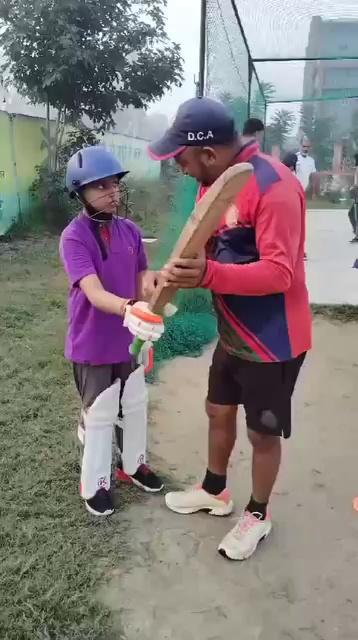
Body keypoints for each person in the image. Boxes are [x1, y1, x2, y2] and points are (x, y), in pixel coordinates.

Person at [149, 97, 312, 561]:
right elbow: (207, 246)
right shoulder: (214, 183)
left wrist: (208, 276)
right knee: (217, 410)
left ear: (208, 152)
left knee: (263, 433)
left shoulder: (274, 186)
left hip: (273, 340)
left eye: (179, 157)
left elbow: (281, 273)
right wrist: (168, 276)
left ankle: (258, 515)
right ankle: (215, 491)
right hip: (233, 332)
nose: (177, 166)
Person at [60, 145, 166, 517]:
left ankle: (133, 465)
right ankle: (95, 485)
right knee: (102, 412)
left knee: (134, 403)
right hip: (92, 342)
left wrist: (151, 293)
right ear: (80, 192)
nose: (112, 193)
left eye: (115, 185)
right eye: (101, 186)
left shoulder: (131, 231)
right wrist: (127, 307)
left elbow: (140, 277)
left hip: (129, 337)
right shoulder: (74, 237)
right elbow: (91, 290)